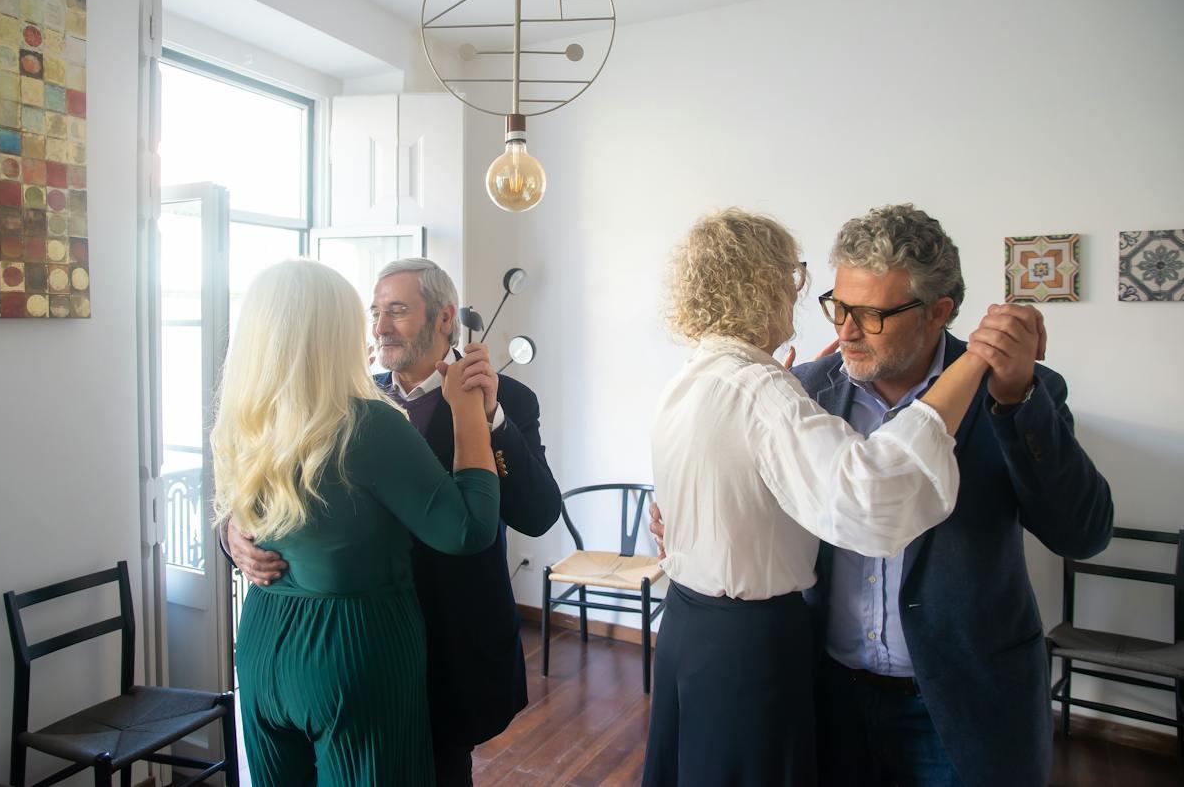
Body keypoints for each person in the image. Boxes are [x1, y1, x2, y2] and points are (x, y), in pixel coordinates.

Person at [643, 207, 997, 787]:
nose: (802, 297)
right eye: (794, 278)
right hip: (748, 643)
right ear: (763, 284)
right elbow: (870, 498)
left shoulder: (696, 376)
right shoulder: (761, 390)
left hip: (689, 627)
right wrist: (973, 364)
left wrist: (787, 390)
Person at [796, 205, 1112, 787]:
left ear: (937, 312)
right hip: (828, 698)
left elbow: (1083, 533)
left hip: (964, 706)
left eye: (871, 314)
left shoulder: (1017, 389)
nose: (844, 330)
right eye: (838, 305)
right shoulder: (807, 392)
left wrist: (1018, 401)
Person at [226, 257, 563, 787]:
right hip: (354, 646)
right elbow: (270, 486)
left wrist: (490, 419)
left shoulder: (510, 400)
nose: (380, 326)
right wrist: (233, 535)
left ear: (446, 317)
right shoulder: (348, 399)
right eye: (375, 311)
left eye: (398, 311)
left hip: (450, 643)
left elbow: (540, 514)